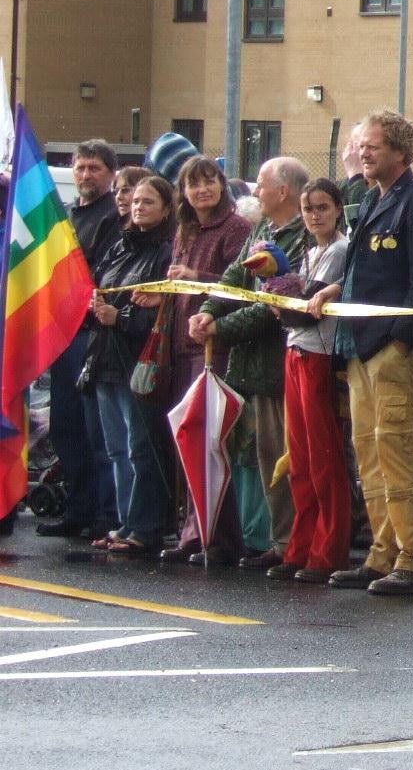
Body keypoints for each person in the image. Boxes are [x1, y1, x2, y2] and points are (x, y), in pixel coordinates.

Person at [308, 110, 413, 597]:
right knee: (368, 450)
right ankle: (382, 552)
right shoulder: (372, 200)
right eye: (360, 145)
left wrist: (403, 341)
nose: (362, 153)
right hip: (360, 346)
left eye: (373, 146)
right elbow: (366, 270)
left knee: (398, 447)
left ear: (400, 153)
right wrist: (334, 288)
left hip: (393, 347)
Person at [191, 155, 310, 570]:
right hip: (252, 365)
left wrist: (221, 331)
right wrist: (208, 310)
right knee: (261, 454)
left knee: (284, 455)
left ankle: (291, 542)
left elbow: (270, 304)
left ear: (284, 191)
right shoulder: (262, 229)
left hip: (281, 363)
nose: (255, 192)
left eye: (261, 184)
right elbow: (234, 279)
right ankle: (276, 541)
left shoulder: (301, 235)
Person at [160, 156, 254, 564]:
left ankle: (220, 538)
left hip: (216, 347)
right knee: (189, 441)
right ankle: (192, 532)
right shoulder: (185, 228)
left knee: (215, 443)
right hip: (183, 344)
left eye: (209, 181)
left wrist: (197, 278)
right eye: (193, 184)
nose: (202, 190)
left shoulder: (237, 229)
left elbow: (243, 283)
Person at [263, 179, 355, 582]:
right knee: (299, 457)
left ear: (337, 209)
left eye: (322, 207)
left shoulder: (339, 250)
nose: (314, 215)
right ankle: (300, 546)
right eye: (308, 209)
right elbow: (295, 304)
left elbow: (307, 308)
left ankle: (328, 550)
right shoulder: (310, 251)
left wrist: (286, 301)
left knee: (323, 457)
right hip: (296, 351)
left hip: (318, 354)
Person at [81, 174, 177, 556]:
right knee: (116, 448)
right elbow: (99, 288)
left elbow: (155, 315)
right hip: (105, 358)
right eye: (136, 201)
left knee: (141, 447)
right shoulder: (119, 246)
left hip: (138, 361)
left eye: (148, 202)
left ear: (166, 208)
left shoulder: (164, 253)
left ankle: (145, 525)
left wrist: (116, 318)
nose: (139, 208)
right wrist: (95, 309)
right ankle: (125, 521)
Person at [36, 139, 123, 541]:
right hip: (62, 332)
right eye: (81, 167)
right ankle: (78, 507)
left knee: (95, 431)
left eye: (95, 168)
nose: (87, 175)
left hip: (90, 333)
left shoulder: (113, 217)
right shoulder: (67, 216)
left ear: (110, 173)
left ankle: (105, 514)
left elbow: (98, 273)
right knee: (65, 425)